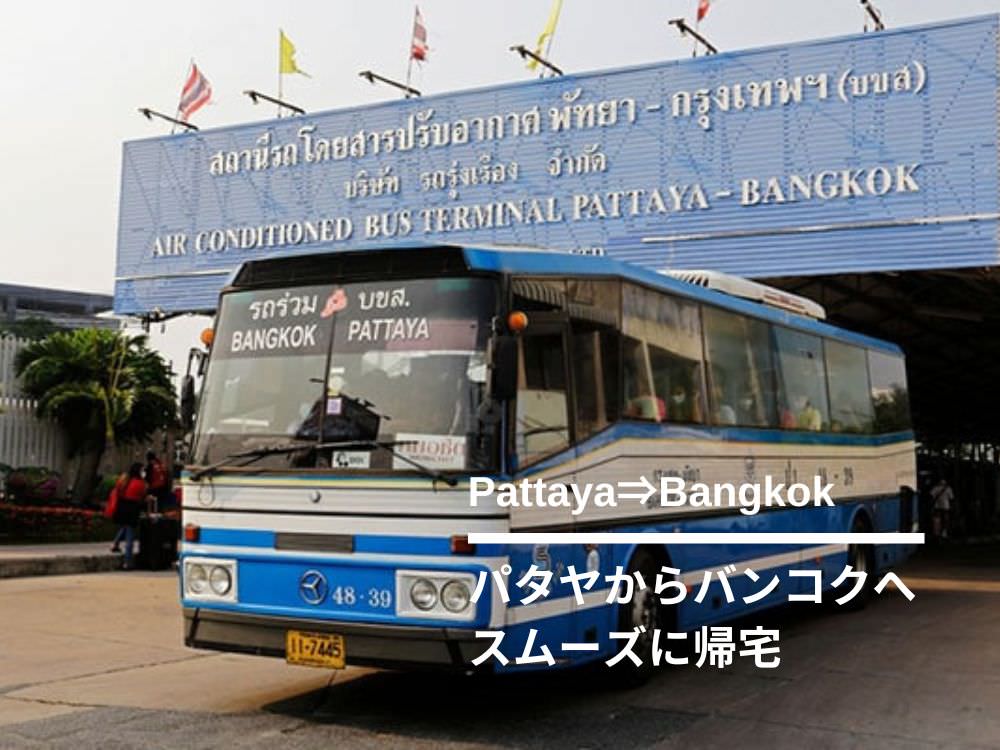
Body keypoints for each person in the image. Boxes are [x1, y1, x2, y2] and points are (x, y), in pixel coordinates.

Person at [114, 462, 148, 569]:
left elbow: (118, 491)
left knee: (125, 527)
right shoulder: (140, 483)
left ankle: (115, 544)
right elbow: (142, 498)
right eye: (142, 470)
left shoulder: (124, 479)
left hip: (122, 507)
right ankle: (127, 563)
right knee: (130, 538)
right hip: (133, 510)